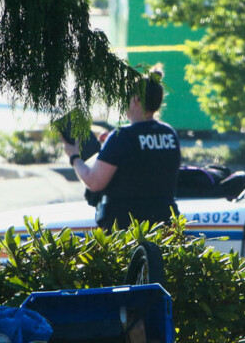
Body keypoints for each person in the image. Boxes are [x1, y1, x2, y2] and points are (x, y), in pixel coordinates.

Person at [61, 69, 181, 230]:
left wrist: (74, 157)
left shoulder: (122, 137)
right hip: (165, 224)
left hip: (127, 229)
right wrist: (109, 146)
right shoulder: (169, 134)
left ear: (136, 100)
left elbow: (94, 182)